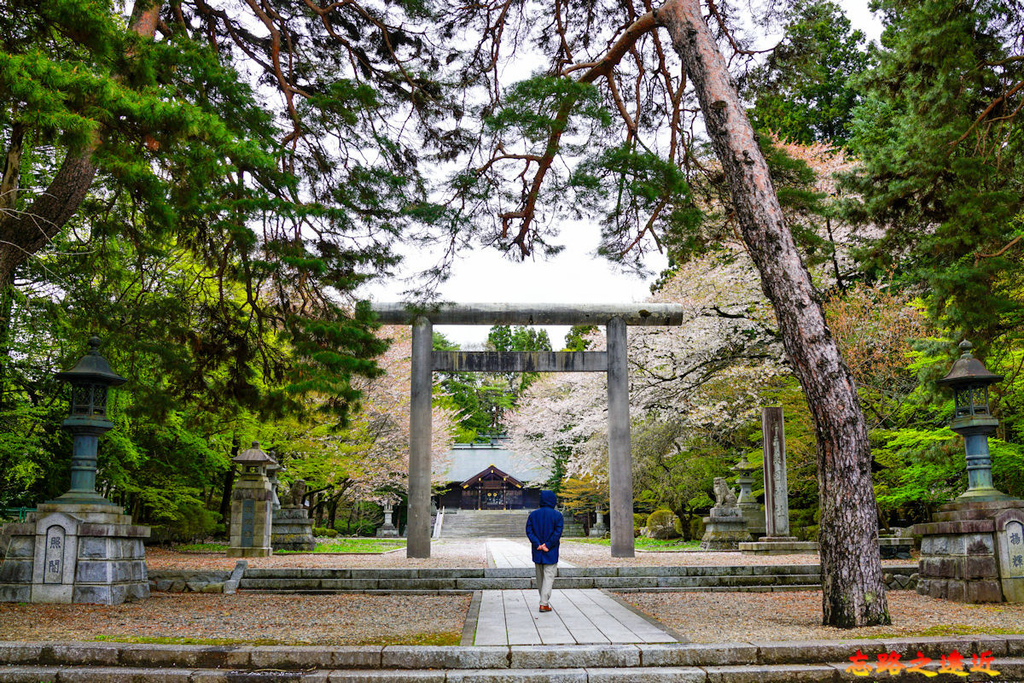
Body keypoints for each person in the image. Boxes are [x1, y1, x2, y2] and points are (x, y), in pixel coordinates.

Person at [525, 490, 563, 613]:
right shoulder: (557, 515)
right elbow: (557, 532)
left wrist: (538, 544)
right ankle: (544, 603)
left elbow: (529, 531)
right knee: (549, 576)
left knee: (540, 577)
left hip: (538, 551)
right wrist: (547, 544)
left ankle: (543, 601)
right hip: (550, 551)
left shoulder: (533, 515)